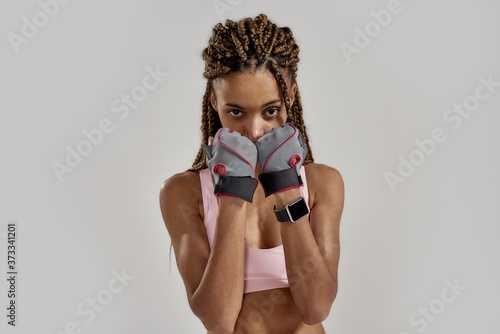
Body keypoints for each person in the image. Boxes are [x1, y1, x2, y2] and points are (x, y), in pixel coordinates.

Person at [159, 13, 344, 334]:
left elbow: (316, 308)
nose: (254, 131)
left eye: (270, 111)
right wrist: (231, 199)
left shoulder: (321, 183)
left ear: (291, 97)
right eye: (236, 112)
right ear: (214, 101)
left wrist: (287, 190)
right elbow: (217, 321)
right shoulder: (182, 192)